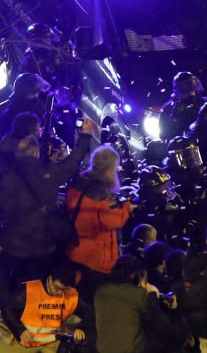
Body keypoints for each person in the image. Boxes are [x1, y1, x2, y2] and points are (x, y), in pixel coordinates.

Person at [0, 122, 92, 292]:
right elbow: (72, 163)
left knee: (8, 284)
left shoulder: (5, 178)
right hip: (41, 245)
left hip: (12, 244)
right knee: (35, 287)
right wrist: (85, 135)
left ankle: (7, 311)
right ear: (36, 153)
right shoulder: (49, 173)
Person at [1, 264, 84, 353]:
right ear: (50, 279)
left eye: (64, 290)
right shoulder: (30, 290)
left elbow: (88, 314)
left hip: (52, 340)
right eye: (57, 288)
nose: (59, 293)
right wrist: (20, 331)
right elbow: (8, 310)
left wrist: (81, 328)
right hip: (27, 342)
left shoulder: (71, 294)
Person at [66, 145, 133, 295]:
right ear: (109, 168)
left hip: (76, 250)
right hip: (95, 256)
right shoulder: (101, 190)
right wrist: (127, 208)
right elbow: (112, 221)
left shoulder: (79, 181)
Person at [158, 71, 207, 141]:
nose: (191, 94)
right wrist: (176, 116)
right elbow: (164, 136)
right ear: (178, 90)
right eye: (187, 90)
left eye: (192, 89)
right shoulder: (169, 109)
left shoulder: (204, 103)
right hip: (182, 147)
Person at [0, 73, 50, 139]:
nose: (36, 96)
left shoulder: (9, 108)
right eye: (34, 93)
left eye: (37, 92)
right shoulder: (13, 112)